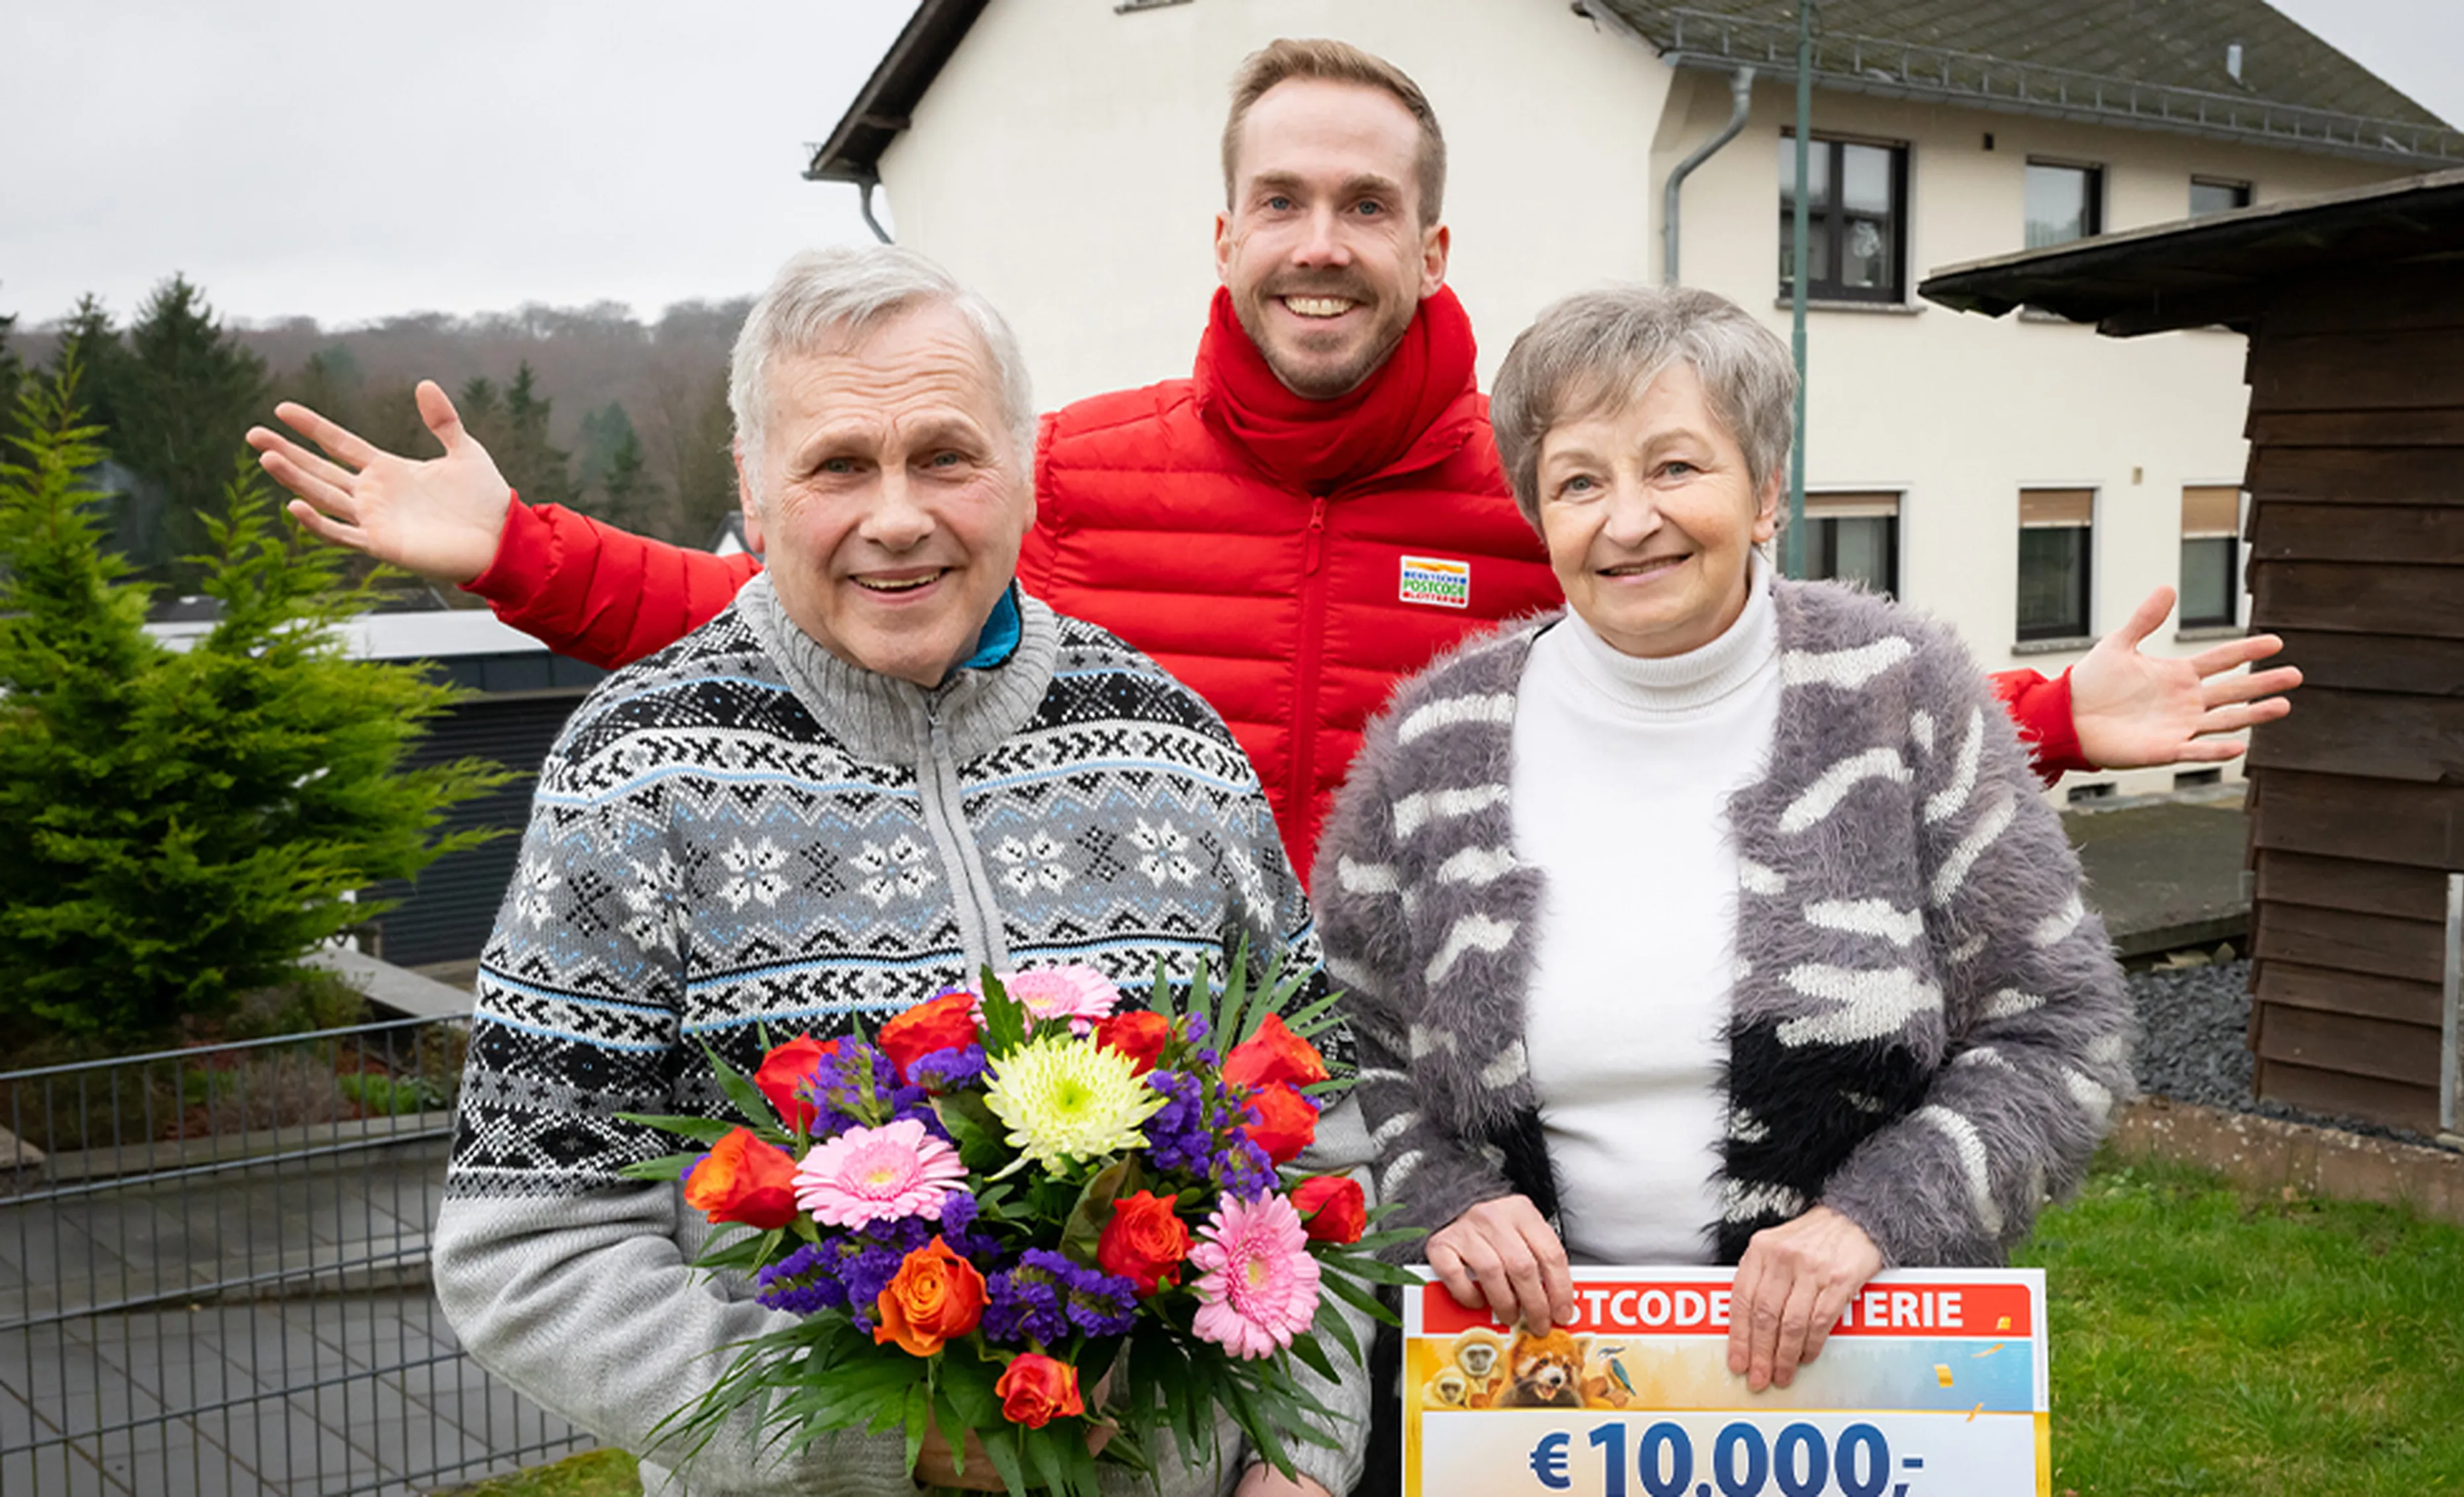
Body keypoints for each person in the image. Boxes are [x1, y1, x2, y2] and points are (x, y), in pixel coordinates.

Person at [246, 40, 2297, 884]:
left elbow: (1771, 692)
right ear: (1225, 236)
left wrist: (2057, 709)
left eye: (1366, 205)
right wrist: (518, 548)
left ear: (1430, 246)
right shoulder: (1075, 474)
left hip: (1470, 1091)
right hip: (1149, 1093)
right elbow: (795, 614)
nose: (1324, 239)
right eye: (1284, 200)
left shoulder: (1550, 499)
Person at [431, 245, 1365, 1497]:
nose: (898, 515)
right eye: (837, 465)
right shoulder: (639, 776)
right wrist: (884, 1439)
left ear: (1023, 473)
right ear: (755, 489)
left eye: (945, 454)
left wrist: (1299, 1459)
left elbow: (1321, 1159)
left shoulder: (1171, 744)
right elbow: (529, 1251)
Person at [1312, 285, 2133, 1399]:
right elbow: (1339, 1048)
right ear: (1536, 512)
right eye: (1580, 481)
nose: (1628, 518)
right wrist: (1442, 1200)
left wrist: (1877, 1220)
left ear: (1766, 494)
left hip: (1851, 1381)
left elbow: (2062, 1027)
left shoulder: (1902, 695)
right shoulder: (1432, 742)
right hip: (1522, 1391)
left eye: (1675, 467)